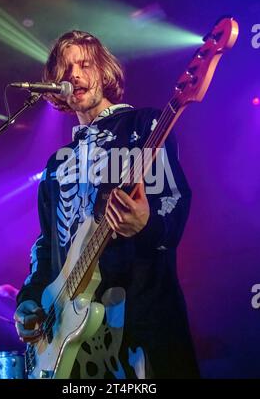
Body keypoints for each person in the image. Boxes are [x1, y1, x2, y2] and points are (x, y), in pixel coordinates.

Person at [14, 30, 200, 379]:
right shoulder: (56, 164)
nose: (74, 75)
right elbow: (46, 244)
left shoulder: (144, 125)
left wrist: (147, 224)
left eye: (85, 64)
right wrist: (30, 297)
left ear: (104, 72)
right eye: (65, 70)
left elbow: (175, 202)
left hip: (139, 326)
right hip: (71, 342)